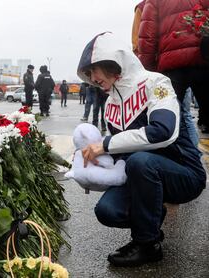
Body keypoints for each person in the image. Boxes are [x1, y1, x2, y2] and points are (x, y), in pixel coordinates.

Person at [77, 32, 206, 267]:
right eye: (87, 72)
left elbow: (162, 131)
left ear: (113, 61)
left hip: (184, 172)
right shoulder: (110, 103)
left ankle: (147, 244)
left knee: (140, 161)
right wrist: (91, 168)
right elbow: (120, 151)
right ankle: (151, 221)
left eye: (92, 69)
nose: (91, 78)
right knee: (107, 211)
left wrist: (105, 145)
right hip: (143, 175)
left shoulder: (157, 83)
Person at [138, 0, 209, 133]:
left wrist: (148, 71)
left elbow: (147, 37)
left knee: (170, 118)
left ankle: (183, 151)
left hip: (170, 66)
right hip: (203, 59)